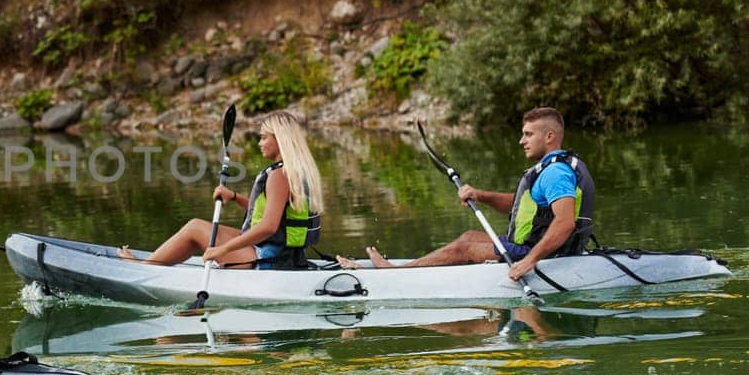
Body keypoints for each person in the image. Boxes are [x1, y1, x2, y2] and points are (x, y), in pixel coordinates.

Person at [337, 106, 596, 281]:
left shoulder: (555, 173)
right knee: (470, 235)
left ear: (549, 136)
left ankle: (396, 275)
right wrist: (479, 195)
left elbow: (564, 222)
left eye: (528, 134)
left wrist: (529, 261)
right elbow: (520, 205)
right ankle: (406, 269)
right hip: (528, 246)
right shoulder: (549, 169)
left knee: (465, 247)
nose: (522, 140)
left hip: (542, 253)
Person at [118, 109, 325, 270]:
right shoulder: (296, 171)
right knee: (200, 230)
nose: (260, 143)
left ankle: (145, 270)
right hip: (283, 256)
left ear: (280, 139)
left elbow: (269, 227)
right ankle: (155, 265)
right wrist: (235, 197)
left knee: (195, 227)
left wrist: (222, 249)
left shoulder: (279, 175)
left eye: (264, 137)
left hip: (267, 259)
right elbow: (276, 215)